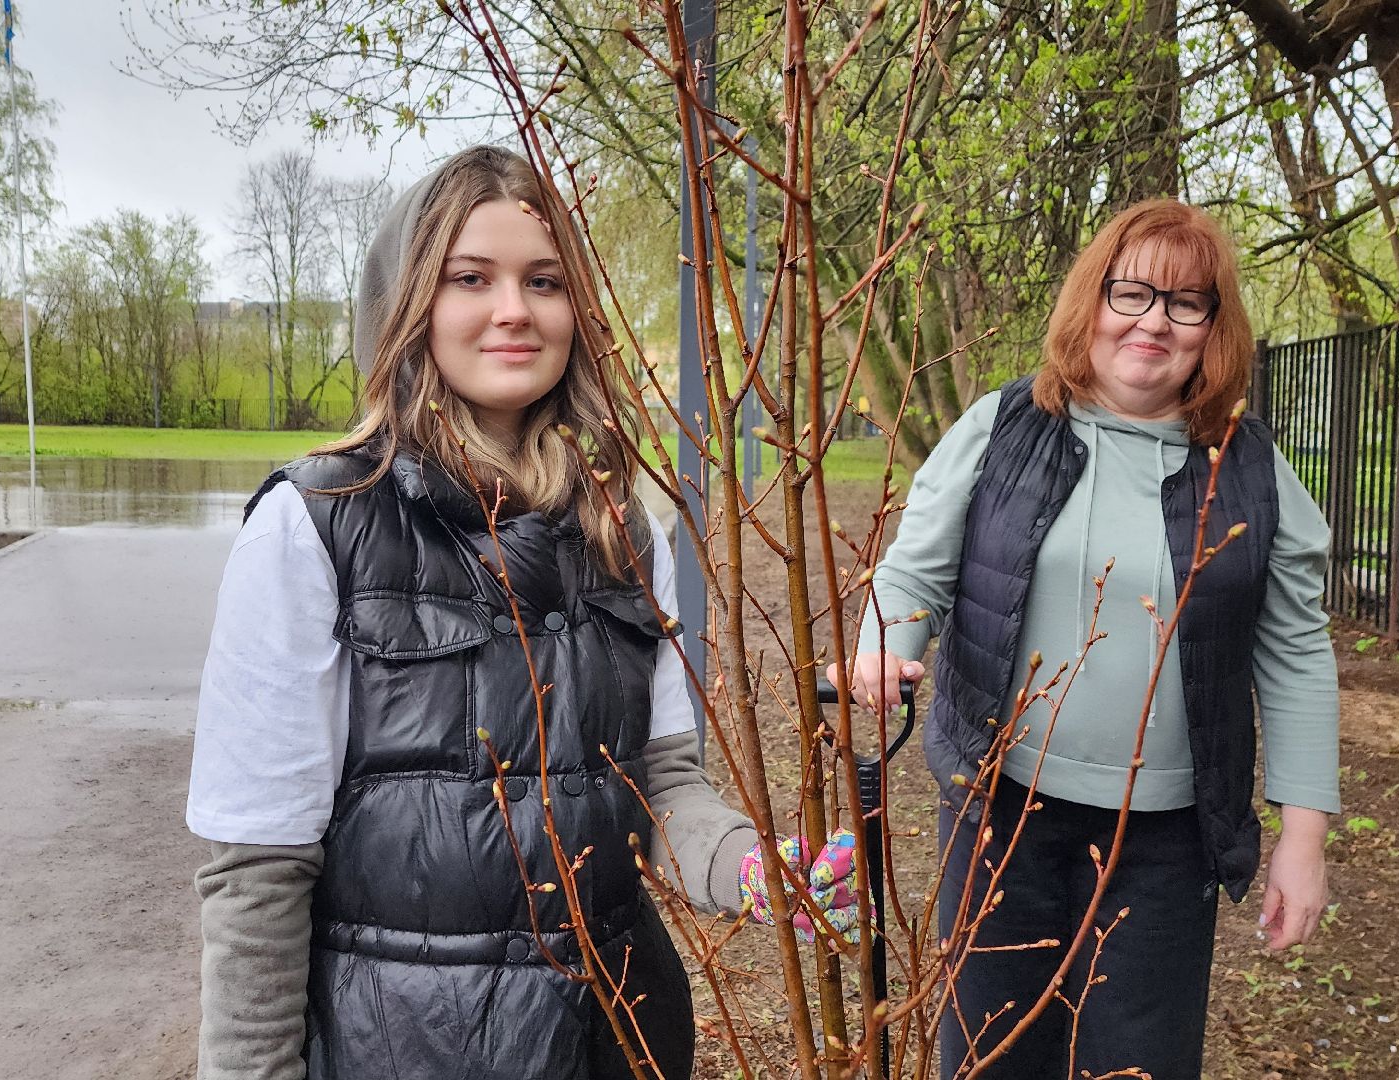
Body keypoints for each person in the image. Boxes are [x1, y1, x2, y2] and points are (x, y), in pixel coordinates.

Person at [187, 145, 860, 1080]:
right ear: (409, 303)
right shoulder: (314, 528)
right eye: (472, 278)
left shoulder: (624, 525)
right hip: (403, 1051)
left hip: (617, 1041)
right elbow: (258, 867)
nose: (515, 310)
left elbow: (661, 787)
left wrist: (754, 871)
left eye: (544, 281)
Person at [830, 200, 1339, 1078]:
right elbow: (916, 572)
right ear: (1089, 303)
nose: (1153, 322)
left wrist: (1304, 837)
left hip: (1167, 843)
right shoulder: (1006, 428)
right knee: (989, 1057)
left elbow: (1296, 652)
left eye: (1187, 303)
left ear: (1212, 330)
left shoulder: (1249, 468)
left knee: (1135, 1064)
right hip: (1001, 814)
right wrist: (886, 644)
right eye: (1130, 292)